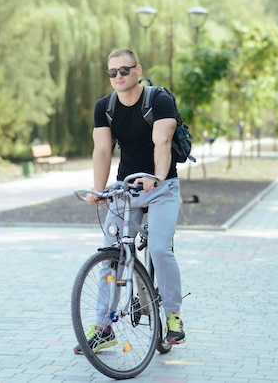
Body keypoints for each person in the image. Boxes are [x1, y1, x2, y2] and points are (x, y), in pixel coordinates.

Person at [73, 48, 186, 355]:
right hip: (126, 189)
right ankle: (104, 328)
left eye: (124, 71)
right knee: (111, 255)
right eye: (113, 73)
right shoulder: (105, 107)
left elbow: (162, 141)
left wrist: (158, 178)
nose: (119, 77)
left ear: (137, 69)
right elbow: (102, 151)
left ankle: (173, 316)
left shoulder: (159, 100)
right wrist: (98, 191)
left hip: (162, 188)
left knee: (160, 248)